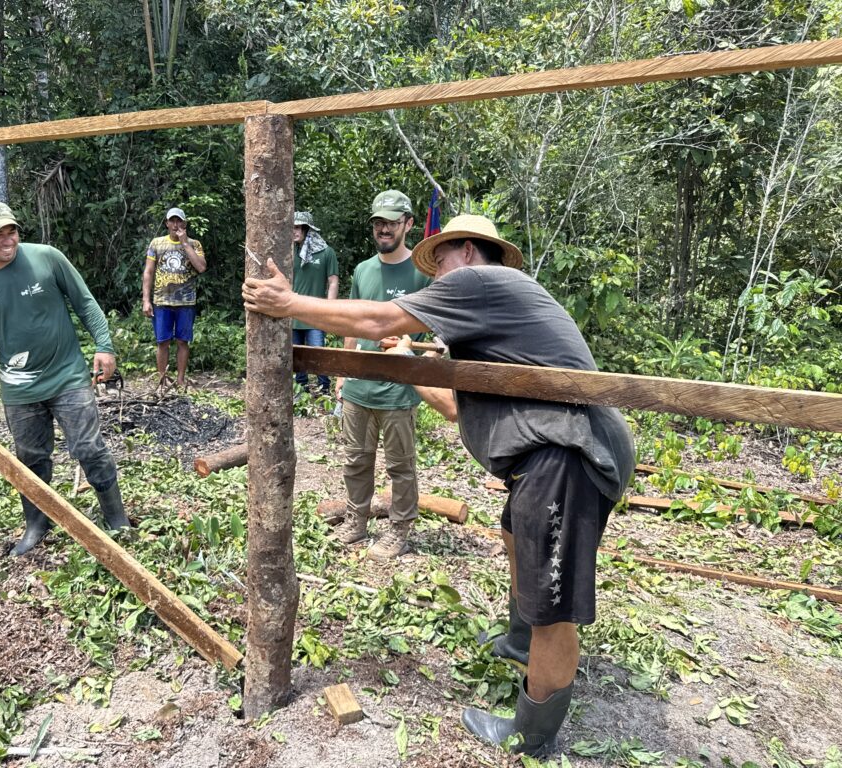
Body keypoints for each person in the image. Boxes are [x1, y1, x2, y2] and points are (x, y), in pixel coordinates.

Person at [242, 213, 635, 757]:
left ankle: (531, 734)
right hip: (548, 455)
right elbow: (455, 408)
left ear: (469, 252)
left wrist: (290, 305)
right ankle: (521, 640)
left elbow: (379, 320)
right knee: (514, 541)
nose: (435, 280)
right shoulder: (487, 323)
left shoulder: (481, 282)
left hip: (567, 452)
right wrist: (407, 362)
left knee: (554, 604)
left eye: (441, 263)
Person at [0, 201, 130, 556]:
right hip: (19, 390)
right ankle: (36, 524)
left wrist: (104, 345)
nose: (7, 240)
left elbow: (85, 301)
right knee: (31, 459)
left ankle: (116, 517)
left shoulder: (46, 257)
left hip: (68, 376)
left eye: (11, 231)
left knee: (89, 448)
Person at [332, 190, 431, 561]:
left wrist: (412, 344)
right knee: (355, 458)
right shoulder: (362, 270)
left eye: (390, 221)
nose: (383, 228)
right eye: (378, 222)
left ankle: (399, 529)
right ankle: (356, 520)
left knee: (400, 466)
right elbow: (352, 325)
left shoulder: (424, 273)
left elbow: (437, 330)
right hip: (360, 384)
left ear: (408, 223)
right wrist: (343, 372)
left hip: (398, 389)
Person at [142, 207, 207, 390]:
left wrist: (185, 244)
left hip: (186, 301)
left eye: (179, 221)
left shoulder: (195, 244)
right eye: (172, 221)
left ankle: (180, 379)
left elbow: (201, 267)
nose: (175, 225)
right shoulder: (157, 244)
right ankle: (162, 379)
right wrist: (146, 300)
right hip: (162, 301)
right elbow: (148, 272)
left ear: (184, 224)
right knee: (162, 341)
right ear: (167, 223)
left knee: (182, 341)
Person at [291, 211, 339, 395]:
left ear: (307, 229)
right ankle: (300, 389)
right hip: (294, 311)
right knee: (297, 354)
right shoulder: (289, 252)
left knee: (318, 352)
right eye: (292, 227)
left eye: (297, 227)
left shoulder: (326, 252)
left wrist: (330, 309)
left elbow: (333, 281)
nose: (294, 231)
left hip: (316, 313)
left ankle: (323, 388)